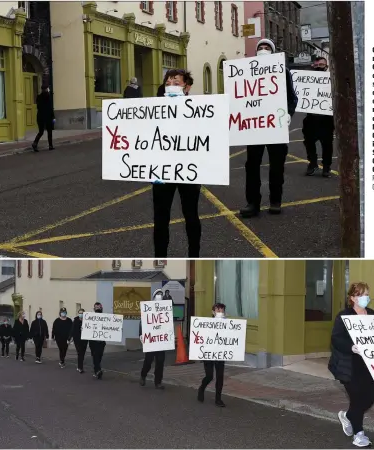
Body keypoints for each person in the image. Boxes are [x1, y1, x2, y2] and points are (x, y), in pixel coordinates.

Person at [240, 38, 298, 218]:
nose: (263, 49)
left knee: (277, 165)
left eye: (266, 48)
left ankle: (275, 200)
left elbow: (291, 97)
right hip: (255, 127)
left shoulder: (283, 71)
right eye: (260, 47)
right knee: (252, 166)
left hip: (275, 126)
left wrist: (289, 112)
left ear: (272, 52)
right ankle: (252, 203)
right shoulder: (245, 71)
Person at [152, 68, 200, 257]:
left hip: (189, 169)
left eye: (176, 83)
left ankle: (194, 256)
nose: (171, 87)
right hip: (161, 170)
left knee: (191, 215)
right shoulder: (153, 108)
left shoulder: (199, 109)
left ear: (187, 87)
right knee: (160, 218)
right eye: (168, 83)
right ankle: (160, 258)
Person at [328, 282, 374, 448]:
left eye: (367, 294)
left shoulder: (372, 314)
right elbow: (336, 339)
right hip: (350, 365)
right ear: (353, 298)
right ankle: (359, 434)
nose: (366, 298)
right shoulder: (344, 316)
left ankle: (348, 416)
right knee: (357, 399)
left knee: (369, 398)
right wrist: (351, 347)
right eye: (362, 295)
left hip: (369, 365)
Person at [303, 56, 335, 178]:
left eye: (321, 65)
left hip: (326, 120)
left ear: (326, 66)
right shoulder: (307, 80)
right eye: (316, 66)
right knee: (308, 143)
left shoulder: (331, 80)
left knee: (327, 145)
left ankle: (326, 167)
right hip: (311, 119)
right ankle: (313, 164)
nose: (318, 68)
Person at [197, 303, 227, 407]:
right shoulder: (207, 324)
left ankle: (218, 399)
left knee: (220, 377)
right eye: (218, 310)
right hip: (209, 353)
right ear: (213, 312)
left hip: (221, 353)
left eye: (222, 310)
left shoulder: (229, 325)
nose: (220, 312)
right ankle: (202, 388)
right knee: (209, 376)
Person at [139, 289, 166, 389]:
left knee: (160, 362)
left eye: (161, 295)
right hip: (151, 340)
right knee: (148, 361)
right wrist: (141, 334)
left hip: (161, 340)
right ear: (154, 297)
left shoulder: (165, 309)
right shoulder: (148, 309)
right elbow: (142, 322)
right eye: (158, 294)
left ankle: (158, 382)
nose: (160, 296)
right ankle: (143, 375)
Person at [32, 84, 55, 152]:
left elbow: (38, 107)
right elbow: (50, 108)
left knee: (41, 132)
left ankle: (35, 143)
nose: (48, 89)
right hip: (47, 117)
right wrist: (53, 117)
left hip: (40, 116)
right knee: (49, 132)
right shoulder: (48, 96)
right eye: (47, 88)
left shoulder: (38, 97)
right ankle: (50, 146)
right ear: (46, 89)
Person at [89, 302, 106, 379]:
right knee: (95, 355)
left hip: (101, 341)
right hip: (93, 341)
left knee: (99, 356)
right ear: (94, 308)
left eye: (99, 307)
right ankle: (98, 370)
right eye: (96, 307)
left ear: (101, 308)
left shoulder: (106, 318)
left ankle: (97, 371)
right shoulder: (90, 318)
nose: (97, 309)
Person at [69, 308, 88, 374]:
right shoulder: (75, 320)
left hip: (84, 339)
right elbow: (72, 330)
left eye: (82, 313)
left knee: (82, 353)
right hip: (77, 339)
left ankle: (79, 366)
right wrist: (70, 338)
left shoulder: (87, 320)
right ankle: (80, 367)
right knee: (79, 352)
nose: (81, 314)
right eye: (80, 313)